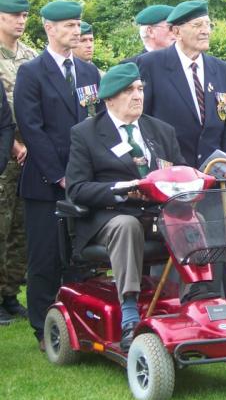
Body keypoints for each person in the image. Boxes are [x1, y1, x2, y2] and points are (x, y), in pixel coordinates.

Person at [65, 63, 185, 350]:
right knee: (126, 225)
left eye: (140, 89)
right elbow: (76, 189)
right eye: (128, 91)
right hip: (110, 217)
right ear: (109, 99)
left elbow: (178, 173)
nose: (137, 96)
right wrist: (122, 192)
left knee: (194, 219)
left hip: (158, 214)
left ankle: (199, 298)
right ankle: (129, 313)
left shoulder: (161, 130)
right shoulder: (86, 133)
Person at [14, 0, 102, 349]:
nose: (76, 31)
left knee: (80, 254)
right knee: (45, 256)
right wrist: (61, 175)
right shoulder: (31, 72)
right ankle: (42, 326)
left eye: (77, 24)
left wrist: (87, 173)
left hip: (84, 179)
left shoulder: (89, 72)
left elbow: (97, 124)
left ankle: (78, 318)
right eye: (67, 25)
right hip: (46, 182)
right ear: (49, 28)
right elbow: (31, 128)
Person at [138, 0, 226, 167]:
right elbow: (142, 119)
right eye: (198, 25)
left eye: (208, 24)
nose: (205, 31)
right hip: (172, 175)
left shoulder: (223, 70)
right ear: (177, 31)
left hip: (216, 177)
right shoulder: (151, 65)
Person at [0, 0, 37, 324]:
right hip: (4, 153)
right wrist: (12, 142)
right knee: (1, 224)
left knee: (20, 228)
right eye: (16, 16)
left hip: (29, 156)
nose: (22, 21)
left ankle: (10, 293)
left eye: (25, 16)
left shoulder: (30, 56)